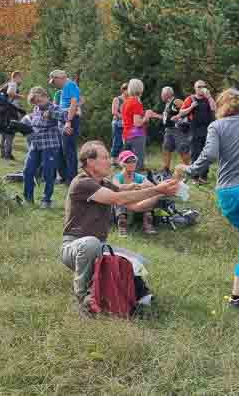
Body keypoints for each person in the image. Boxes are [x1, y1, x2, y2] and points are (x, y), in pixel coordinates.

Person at [176, 89, 239, 313]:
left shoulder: (216, 126)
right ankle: (238, 298)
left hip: (226, 193)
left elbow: (209, 155)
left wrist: (190, 169)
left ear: (221, 107)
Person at [60, 141, 179, 314]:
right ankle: (83, 299)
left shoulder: (105, 183)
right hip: (74, 247)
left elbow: (136, 206)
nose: (110, 161)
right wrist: (157, 189)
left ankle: (140, 299)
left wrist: (162, 193)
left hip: (99, 247)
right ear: (90, 162)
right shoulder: (82, 183)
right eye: (105, 157)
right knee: (91, 244)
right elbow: (119, 199)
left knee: (136, 261)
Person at [23, 87, 62, 209]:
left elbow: (65, 116)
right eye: (35, 102)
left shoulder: (54, 108)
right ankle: (28, 199)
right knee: (27, 170)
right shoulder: (36, 109)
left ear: (46, 97)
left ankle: (46, 200)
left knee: (48, 173)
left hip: (50, 145)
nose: (38, 104)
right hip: (35, 144)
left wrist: (51, 114)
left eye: (39, 101)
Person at [112, 150, 158, 237]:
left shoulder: (139, 177)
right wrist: (130, 186)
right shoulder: (118, 177)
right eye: (128, 161)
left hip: (137, 202)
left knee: (149, 197)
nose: (132, 163)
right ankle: (122, 226)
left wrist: (140, 186)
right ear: (122, 164)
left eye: (134, 161)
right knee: (119, 198)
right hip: (124, 202)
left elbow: (151, 186)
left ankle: (148, 224)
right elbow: (116, 187)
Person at [49, 69, 82, 184]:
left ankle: (71, 178)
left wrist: (68, 121)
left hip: (70, 120)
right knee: (60, 149)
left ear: (60, 78)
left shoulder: (70, 85)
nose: (54, 84)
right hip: (62, 119)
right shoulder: (63, 89)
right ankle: (63, 176)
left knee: (68, 150)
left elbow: (74, 104)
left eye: (54, 81)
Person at [181, 81, 217, 184]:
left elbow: (214, 109)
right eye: (199, 87)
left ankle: (204, 176)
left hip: (207, 130)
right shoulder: (190, 99)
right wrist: (191, 107)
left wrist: (209, 97)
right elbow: (181, 113)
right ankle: (194, 177)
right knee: (195, 153)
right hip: (194, 130)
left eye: (204, 86)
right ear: (195, 88)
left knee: (206, 153)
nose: (202, 88)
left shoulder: (208, 99)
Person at [152, 86, 191, 178]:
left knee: (182, 150)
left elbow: (187, 110)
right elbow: (167, 117)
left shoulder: (176, 101)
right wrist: (155, 115)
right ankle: (166, 169)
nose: (161, 96)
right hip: (169, 130)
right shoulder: (167, 104)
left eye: (162, 94)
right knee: (166, 148)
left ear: (167, 94)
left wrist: (179, 117)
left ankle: (189, 170)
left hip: (178, 130)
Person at [121, 78, 160, 171]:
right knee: (137, 165)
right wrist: (147, 116)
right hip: (136, 135)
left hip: (126, 134)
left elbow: (127, 119)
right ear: (140, 89)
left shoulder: (125, 102)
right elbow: (137, 123)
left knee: (128, 163)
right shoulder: (136, 103)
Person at [0, 72, 25, 160]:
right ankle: (7, 155)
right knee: (10, 133)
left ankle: (2, 154)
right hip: (9, 112)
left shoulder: (6, 85)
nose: (21, 80)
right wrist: (20, 96)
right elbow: (10, 93)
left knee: (3, 133)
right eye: (20, 78)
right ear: (16, 77)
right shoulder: (13, 84)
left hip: (2, 112)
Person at [110, 83, 128, 162]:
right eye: (128, 90)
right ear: (123, 90)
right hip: (117, 123)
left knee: (125, 143)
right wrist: (124, 118)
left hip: (126, 124)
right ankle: (113, 159)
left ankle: (121, 159)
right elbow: (114, 112)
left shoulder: (129, 99)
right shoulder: (117, 99)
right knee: (117, 141)